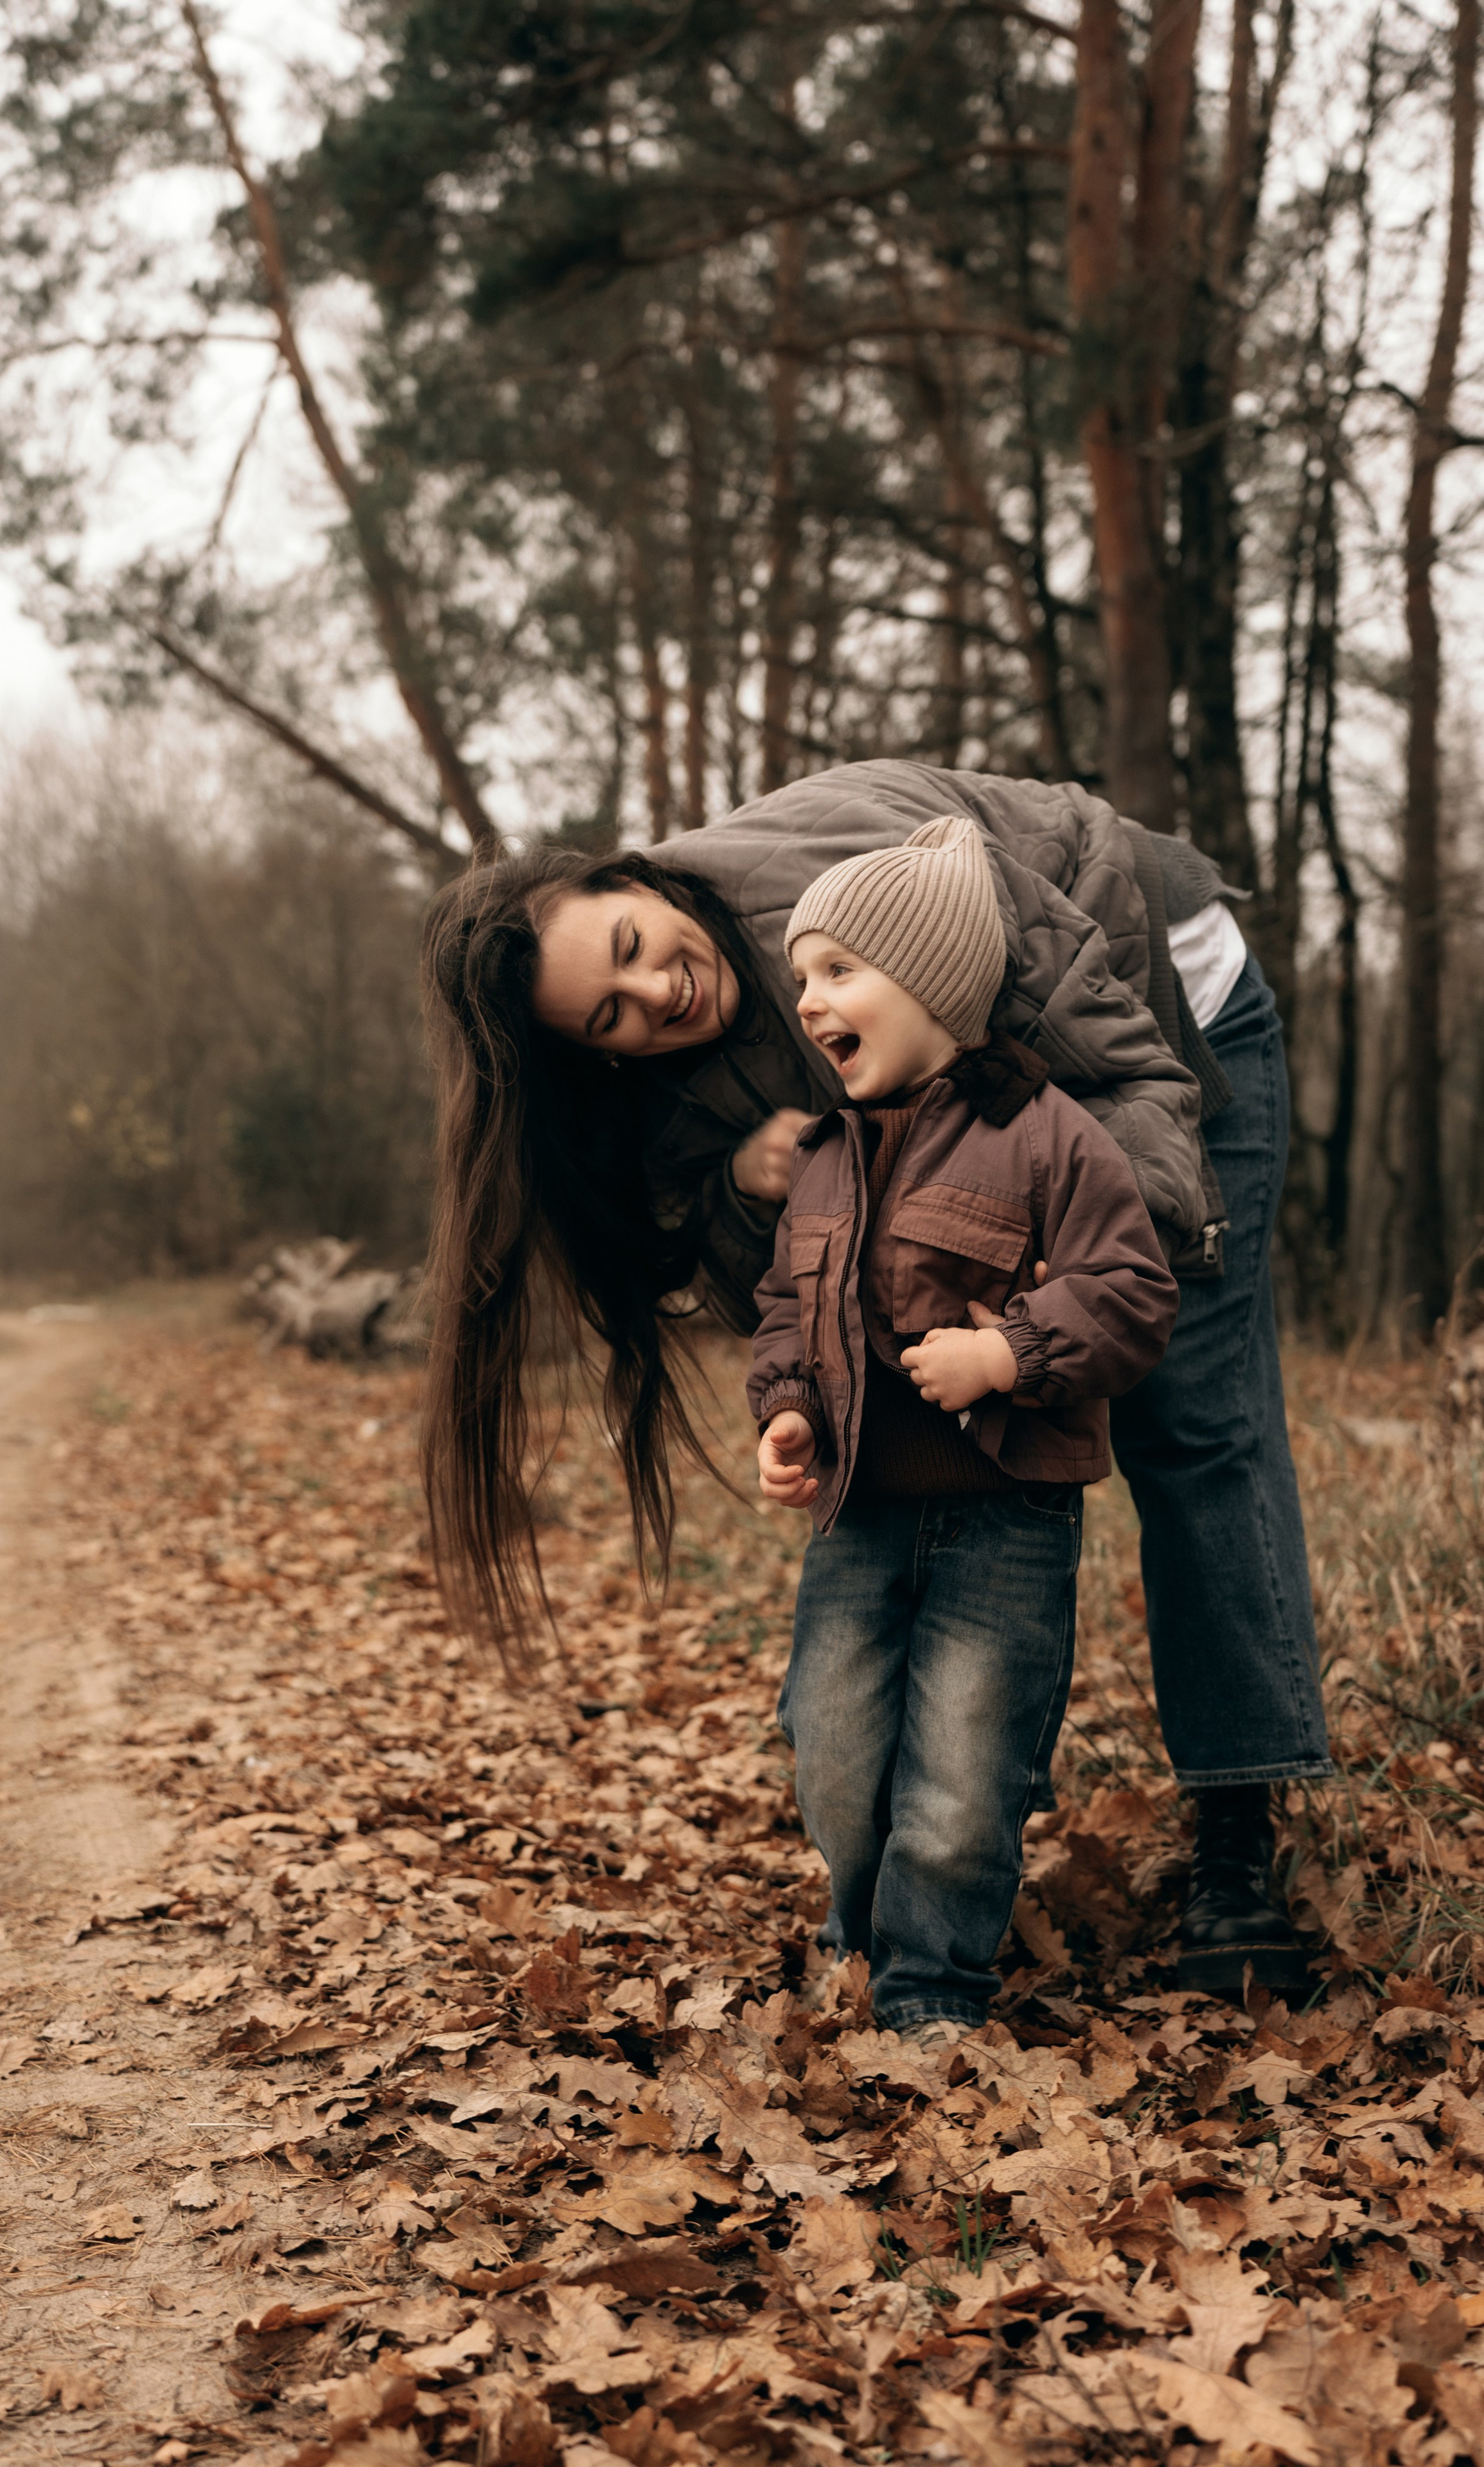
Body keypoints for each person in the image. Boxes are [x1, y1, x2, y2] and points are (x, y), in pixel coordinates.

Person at [421, 759, 1332, 1997]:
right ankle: (971, 1825)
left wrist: (1071, 1294)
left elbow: (1123, 1085)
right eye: (613, 1016)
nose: (655, 991)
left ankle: (1235, 1831)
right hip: (1013, 1122)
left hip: (1155, 1007)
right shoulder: (672, 1078)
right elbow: (789, 1295)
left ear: (631, 874)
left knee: (1188, 1421)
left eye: (634, 944)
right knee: (946, 1424)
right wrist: (754, 1189)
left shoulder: (844, 890)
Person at [749, 820, 1178, 2037]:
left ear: (932, 983)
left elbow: (1132, 1293)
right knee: (831, 1746)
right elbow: (786, 1307)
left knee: (963, 1763)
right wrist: (786, 1411)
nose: (811, 1002)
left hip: (1007, 1514)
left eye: (840, 970)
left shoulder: (1045, 1133)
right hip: (861, 1514)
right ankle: (860, 1928)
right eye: (801, 982)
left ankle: (932, 1987)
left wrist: (1010, 1352)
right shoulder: (825, 1156)